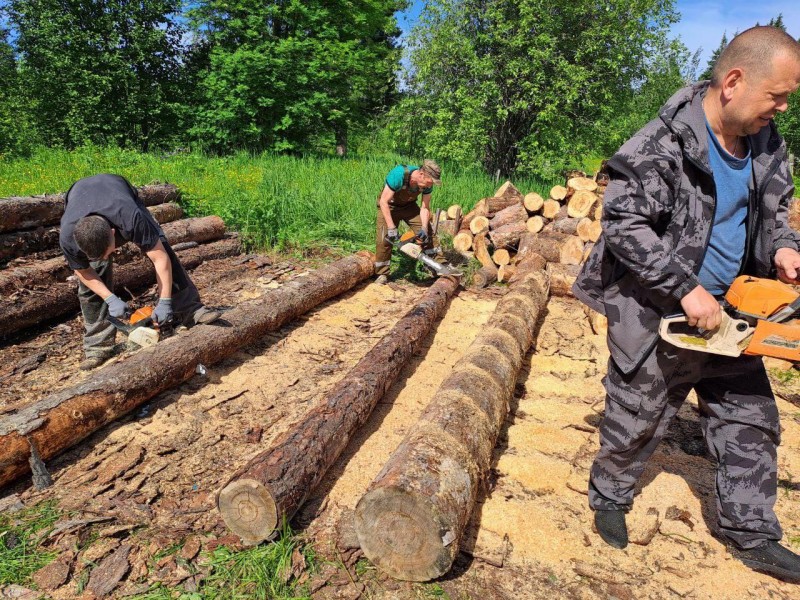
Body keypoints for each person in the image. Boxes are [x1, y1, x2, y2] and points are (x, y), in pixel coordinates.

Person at [573, 26, 800, 581]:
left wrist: (787, 249)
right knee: (639, 416)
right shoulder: (663, 143)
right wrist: (685, 287)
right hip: (658, 309)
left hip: (735, 315)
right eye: (778, 95)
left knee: (751, 420)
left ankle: (751, 534)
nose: (783, 108)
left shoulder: (766, 143)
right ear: (735, 82)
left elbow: (776, 210)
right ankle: (610, 495)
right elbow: (623, 222)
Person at [59, 174, 221, 370]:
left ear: (113, 233)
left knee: (163, 249)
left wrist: (164, 302)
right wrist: (110, 298)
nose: (107, 257)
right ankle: (97, 347)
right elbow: (83, 271)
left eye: (108, 252)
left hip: (117, 190)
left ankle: (191, 310)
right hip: (80, 194)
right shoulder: (68, 237)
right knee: (94, 274)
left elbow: (159, 258)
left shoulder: (130, 217)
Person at [374, 159, 445, 283]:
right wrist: (391, 228)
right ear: (422, 174)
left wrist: (423, 227)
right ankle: (382, 273)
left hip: (409, 206)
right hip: (389, 206)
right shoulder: (399, 174)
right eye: (430, 182)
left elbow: (425, 208)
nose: (430, 185)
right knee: (384, 238)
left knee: (428, 233)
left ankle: (439, 266)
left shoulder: (426, 186)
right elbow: (383, 201)